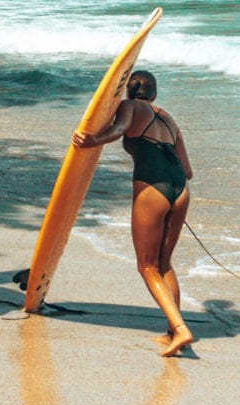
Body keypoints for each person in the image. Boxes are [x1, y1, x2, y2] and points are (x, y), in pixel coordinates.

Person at [74, 69, 195, 357]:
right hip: (180, 189)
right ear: (154, 93)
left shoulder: (130, 107)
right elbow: (188, 170)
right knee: (164, 262)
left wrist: (92, 140)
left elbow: (119, 130)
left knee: (146, 265)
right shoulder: (169, 118)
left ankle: (180, 330)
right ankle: (170, 332)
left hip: (152, 187)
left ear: (127, 93)